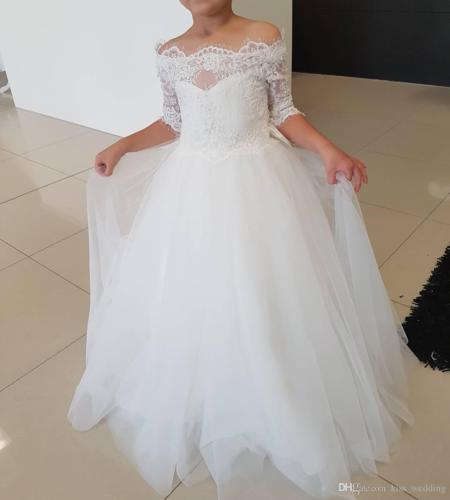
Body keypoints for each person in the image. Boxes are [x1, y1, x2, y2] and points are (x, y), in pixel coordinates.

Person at [67, 2, 418, 499]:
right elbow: (173, 121)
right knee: (193, 285)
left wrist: (327, 149)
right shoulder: (170, 53)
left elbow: (283, 111)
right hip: (190, 187)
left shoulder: (262, 36)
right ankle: (202, 379)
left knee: (263, 285)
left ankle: (273, 382)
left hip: (258, 183)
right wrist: (122, 144)